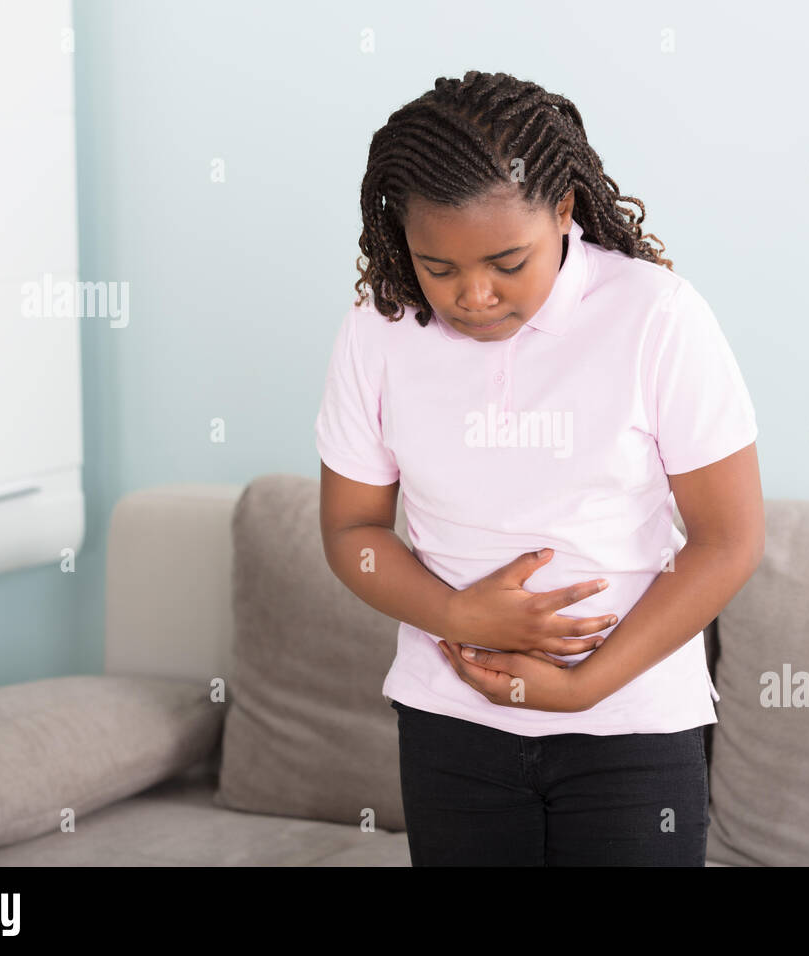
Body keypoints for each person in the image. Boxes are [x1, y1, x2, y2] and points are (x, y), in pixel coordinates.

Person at [316, 70, 764, 866]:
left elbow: (728, 541)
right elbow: (351, 530)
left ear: (563, 210)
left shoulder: (655, 315)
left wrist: (584, 686)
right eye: (438, 266)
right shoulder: (379, 329)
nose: (474, 295)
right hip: (451, 728)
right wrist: (459, 618)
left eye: (506, 260)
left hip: (632, 728)